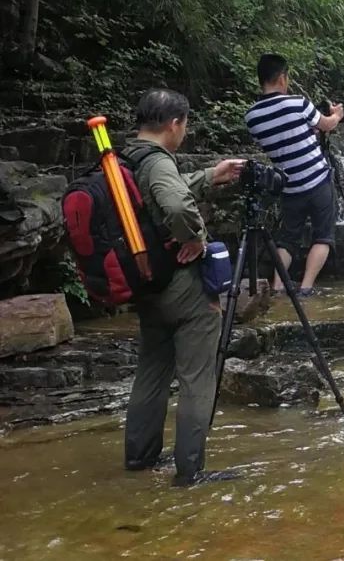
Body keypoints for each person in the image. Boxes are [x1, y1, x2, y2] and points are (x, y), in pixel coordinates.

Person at [121, 89, 246, 487]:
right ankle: (190, 470)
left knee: (153, 370)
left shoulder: (126, 158)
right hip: (181, 289)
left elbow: (158, 198)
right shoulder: (159, 162)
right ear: (175, 123)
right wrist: (195, 238)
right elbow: (174, 206)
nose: (185, 132)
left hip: (147, 281)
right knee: (197, 377)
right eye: (185, 125)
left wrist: (210, 176)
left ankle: (139, 459)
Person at [245, 53, 344, 296]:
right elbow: (327, 124)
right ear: (281, 78)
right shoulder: (298, 103)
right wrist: (337, 115)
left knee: (288, 239)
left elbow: (280, 138)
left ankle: (278, 288)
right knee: (323, 236)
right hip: (318, 180)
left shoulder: (251, 117)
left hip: (289, 186)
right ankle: (306, 288)